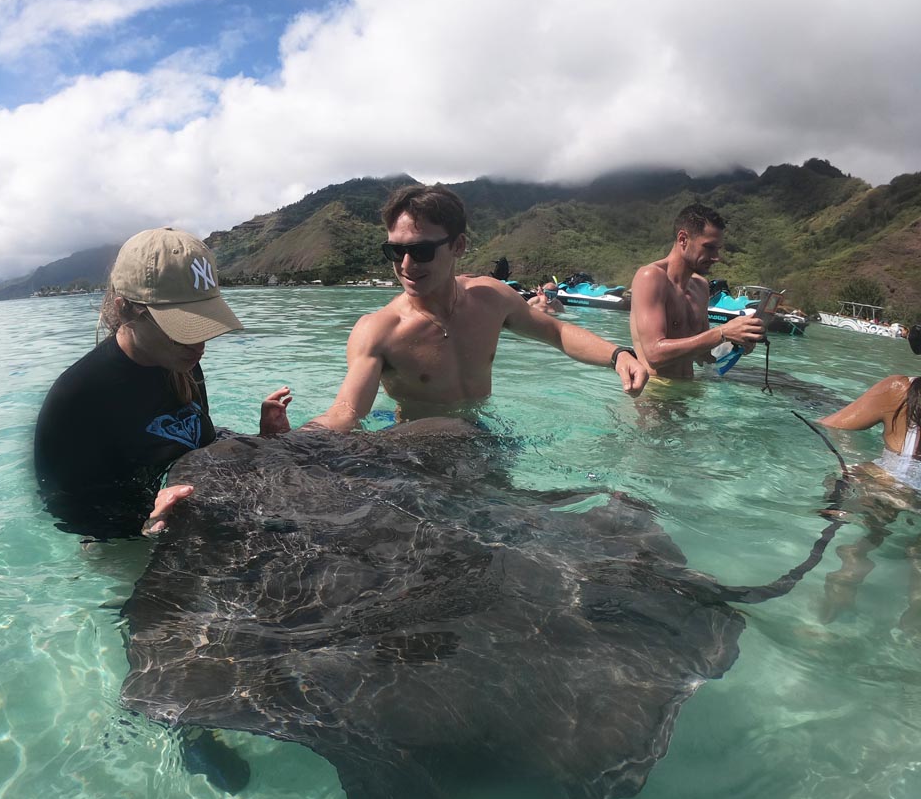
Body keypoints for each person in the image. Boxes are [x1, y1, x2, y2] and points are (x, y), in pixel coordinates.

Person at [306, 184, 647, 430]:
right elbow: (345, 413)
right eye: (395, 251)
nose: (406, 265)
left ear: (458, 246)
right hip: (415, 448)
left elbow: (556, 331)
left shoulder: (490, 298)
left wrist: (618, 355)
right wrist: (289, 442)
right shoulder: (380, 331)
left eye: (421, 251)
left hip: (481, 432)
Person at [34, 226, 291, 542]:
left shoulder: (181, 362)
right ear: (124, 308)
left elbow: (199, 447)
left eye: (203, 321)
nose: (199, 343)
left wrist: (262, 443)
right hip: (127, 539)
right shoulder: (77, 397)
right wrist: (147, 525)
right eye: (182, 326)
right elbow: (66, 508)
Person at [816, 327, 921, 632]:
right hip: (892, 491)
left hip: (884, 490)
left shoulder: (899, 391)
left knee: (860, 548)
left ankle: (825, 625)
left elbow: (830, 427)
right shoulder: (900, 393)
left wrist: (852, 467)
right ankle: (908, 639)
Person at [628, 203, 765, 379]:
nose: (716, 257)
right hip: (655, 392)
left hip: (689, 391)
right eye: (709, 247)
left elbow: (702, 357)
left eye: (718, 249)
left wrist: (736, 343)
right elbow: (654, 354)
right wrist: (722, 332)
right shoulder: (651, 277)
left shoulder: (700, 286)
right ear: (683, 239)